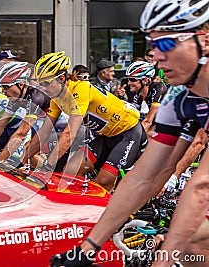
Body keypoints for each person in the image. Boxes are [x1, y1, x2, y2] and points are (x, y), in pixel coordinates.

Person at [50, 0, 209, 266]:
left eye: (167, 44)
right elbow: (145, 176)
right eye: (153, 45)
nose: (157, 56)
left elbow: (202, 187)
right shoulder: (181, 97)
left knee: (190, 242)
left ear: (204, 40)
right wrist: (87, 249)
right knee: (190, 243)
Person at [22, 51, 146, 191]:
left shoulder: (80, 89)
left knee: (102, 182)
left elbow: (69, 134)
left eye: (45, 83)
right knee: (70, 171)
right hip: (106, 136)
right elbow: (44, 132)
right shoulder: (57, 98)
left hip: (129, 133)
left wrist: (47, 167)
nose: (42, 88)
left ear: (62, 78)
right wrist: (21, 162)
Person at [0, 61, 51, 164]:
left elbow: (21, 133)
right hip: (41, 124)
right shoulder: (16, 97)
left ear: (21, 84)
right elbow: (0, 123)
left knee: (29, 152)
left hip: (58, 127)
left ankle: (47, 170)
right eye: (2, 87)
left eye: (6, 87)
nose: (3, 91)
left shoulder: (36, 97)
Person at [126, 61, 167, 134]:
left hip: (176, 125)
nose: (129, 83)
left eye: (133, 79)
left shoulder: (158, 89)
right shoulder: (138, 94)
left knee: (148, 135)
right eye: (128, 79)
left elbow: (148, 122)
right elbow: (132, 115)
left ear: (145, 80)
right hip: (161, 123)